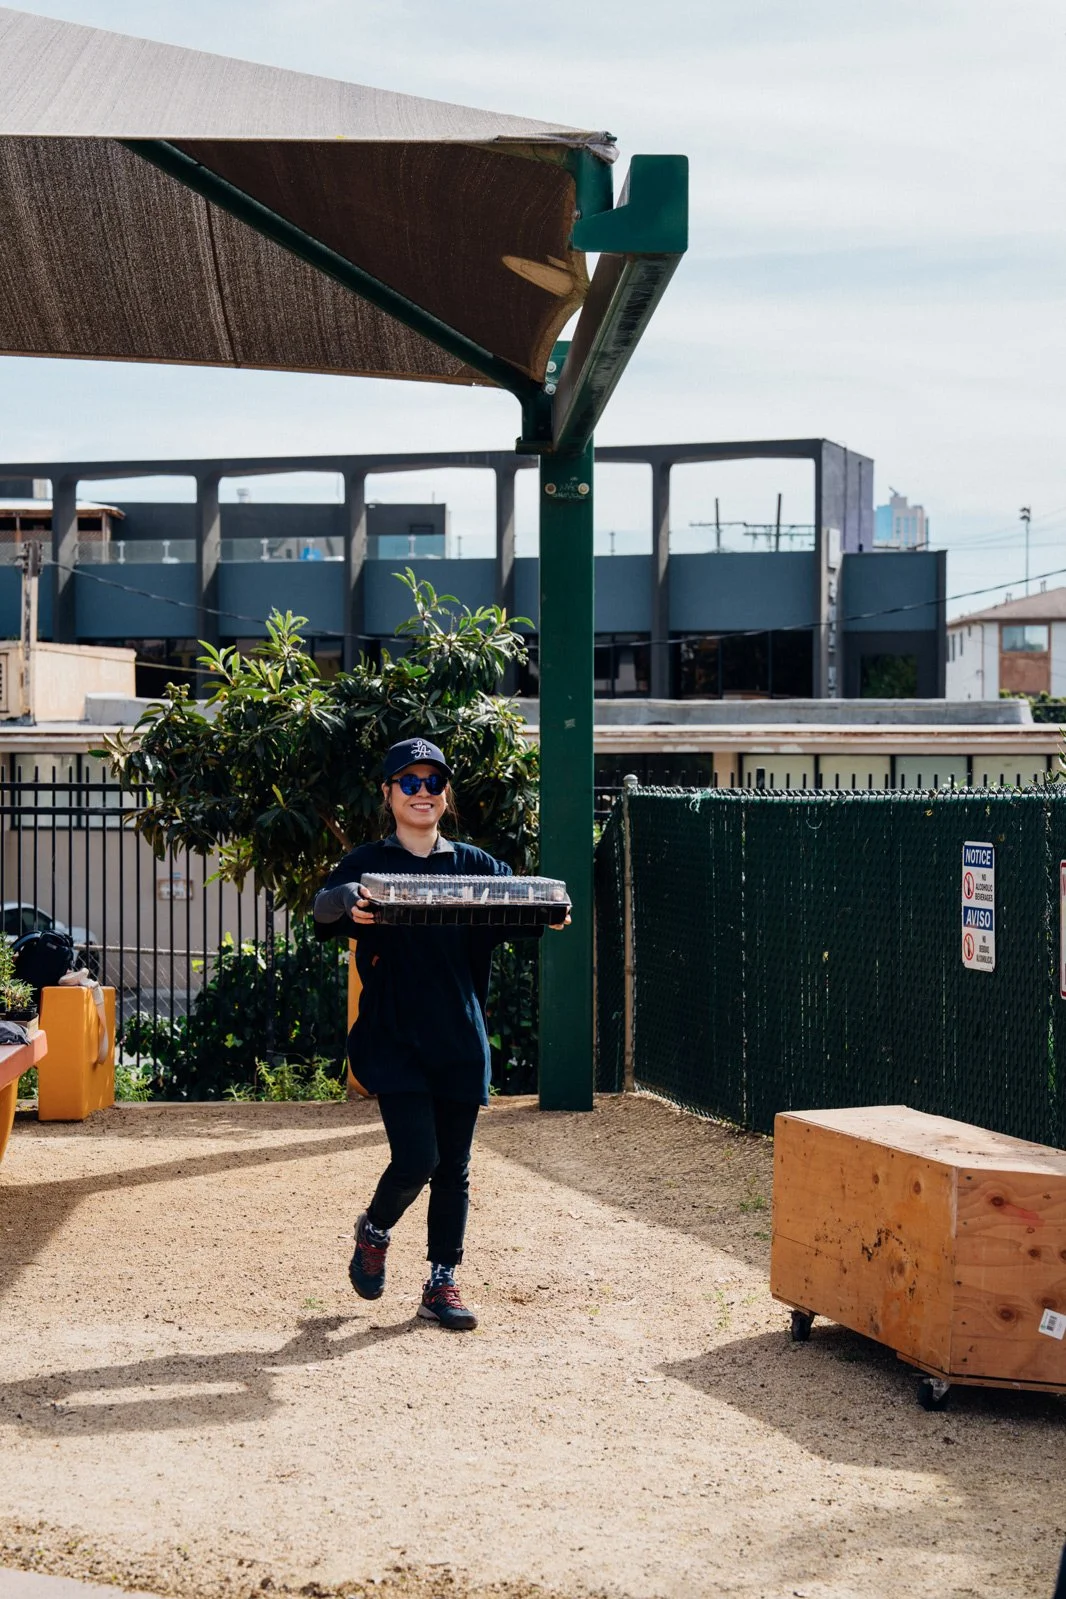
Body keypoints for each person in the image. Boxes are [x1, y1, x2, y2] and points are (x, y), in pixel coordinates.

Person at [313, 736, 569, 1331]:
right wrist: (349, 899)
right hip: (394, 1036)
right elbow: (323, 908)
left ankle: (441, 1282)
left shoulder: (476, 866)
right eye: (409, 782)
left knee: (453, 1165)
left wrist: (554, 911)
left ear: (445, 795)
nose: (422, 792)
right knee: (417, 1157)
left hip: (459, 1035)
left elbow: (526, 907)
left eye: (433, 783)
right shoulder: (367, 867)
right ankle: (374, 1230)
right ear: (388, 794)